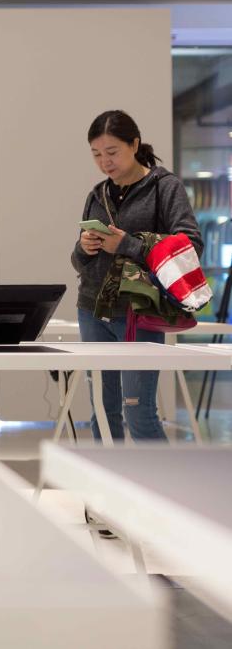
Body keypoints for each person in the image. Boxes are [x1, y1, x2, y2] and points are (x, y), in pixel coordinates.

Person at [72, 109, 202, 442]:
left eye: (112, 152)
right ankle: (103, 493)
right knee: (102, 409)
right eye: (97, 154)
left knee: (138, 411)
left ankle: (157, 492)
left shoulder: (164, 187)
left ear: (134, 144)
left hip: (138, 312)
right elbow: (79, 263)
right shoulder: (97, 194)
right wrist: (83, 249)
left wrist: (127, 244)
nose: (105, 162)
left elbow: (190, 246)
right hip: (92, 309)